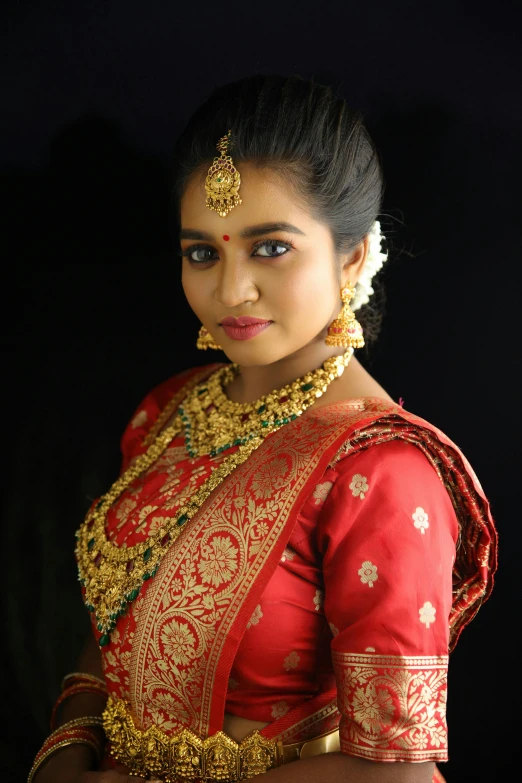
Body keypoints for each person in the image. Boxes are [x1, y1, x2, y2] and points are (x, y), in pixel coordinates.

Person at [29, 74, 497, 783]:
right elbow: (119, 618)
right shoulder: (167, 414)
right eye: (202, 252)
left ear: (352, 257)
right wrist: (67, 746)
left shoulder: (382, 469)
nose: (229, 290)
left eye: (270, 247)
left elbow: (394, 774)